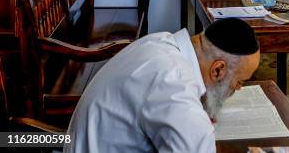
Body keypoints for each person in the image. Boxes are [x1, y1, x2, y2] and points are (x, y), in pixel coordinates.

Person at [64, 17, 260, 153]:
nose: (238, 88)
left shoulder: (160, 42)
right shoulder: (174, 85)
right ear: (218, 70)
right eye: (239, 81)